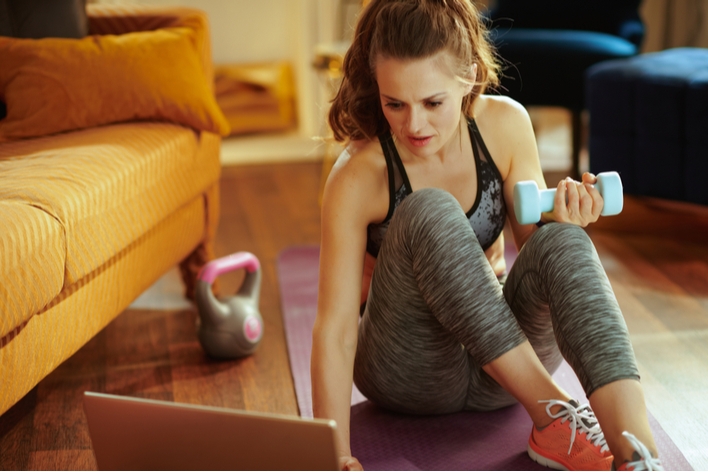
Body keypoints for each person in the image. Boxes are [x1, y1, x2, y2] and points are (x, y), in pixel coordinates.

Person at [311, 0, 663, 470]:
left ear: (468, 78)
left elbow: (539, 252)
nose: (413, 124)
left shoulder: (506, 125)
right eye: (394, 103)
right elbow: (334, 329)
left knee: (564, 241)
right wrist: (331, 457)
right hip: (409, 371)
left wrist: (567, 218)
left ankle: (637, 456)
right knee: (429, 210)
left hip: (503, 372)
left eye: (433, 102)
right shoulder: (358, 174)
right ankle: (555, 416)